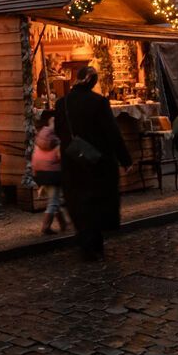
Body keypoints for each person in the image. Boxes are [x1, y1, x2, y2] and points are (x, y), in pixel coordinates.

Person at [53, 66, 132, 261]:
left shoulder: (62, 103)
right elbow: (112, 133)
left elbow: (59, 130)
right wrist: (125, 159)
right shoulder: (98, 102)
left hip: (72, 159)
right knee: (97, 199)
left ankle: (85, 239)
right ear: (92, 81)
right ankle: (94, 241)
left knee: (78, 199)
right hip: (98, 159)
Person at [31, 109, 66, 235]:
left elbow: (34, 155)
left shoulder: (40, 136)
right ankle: (46, 226)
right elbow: (60, 156)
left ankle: (64, 224)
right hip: (53, 173)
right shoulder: (56, 139)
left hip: (40, 172)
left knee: (54, 198)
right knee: (54, 201)